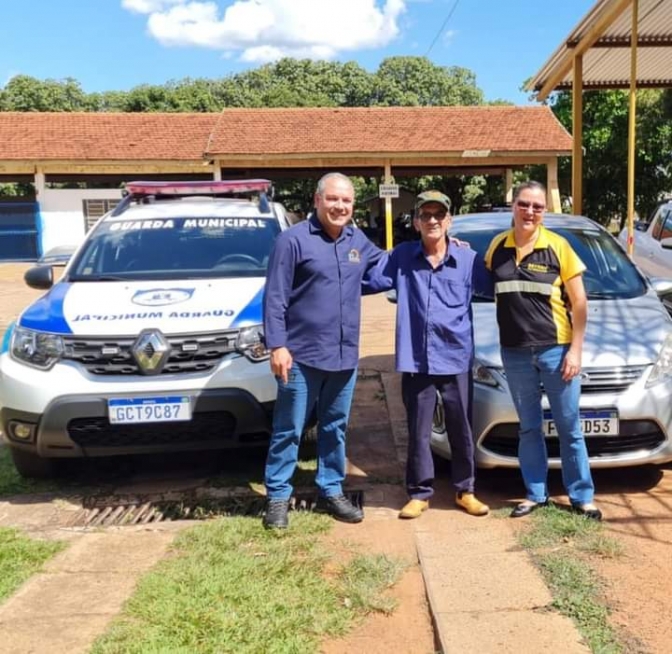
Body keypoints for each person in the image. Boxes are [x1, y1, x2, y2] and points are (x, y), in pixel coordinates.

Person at [262, 172, 382, 529]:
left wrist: (435, 248)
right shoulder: (292, 241)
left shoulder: (356, 239)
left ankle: (331, 489)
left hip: (344, 356)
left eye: (346, 201)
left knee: (336, 427)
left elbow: (384, 265)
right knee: (289, 429)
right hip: (300, 356)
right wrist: (277, 345)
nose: (339, 206)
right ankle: (278, 497)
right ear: (317, 200)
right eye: (333, 199)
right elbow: (275, 297)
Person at [365, 191, 489, 519]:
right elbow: (369, 279)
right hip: (417, 358)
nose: (432, 220)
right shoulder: (403, 256)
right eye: (426, 215)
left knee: (461, 426)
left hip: (456, 356)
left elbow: (497, 286)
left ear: (448, 220)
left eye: (439, 214)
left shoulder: (468, 260)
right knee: (418, 428)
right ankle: (419, 493)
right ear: (417, 221)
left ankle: (466, 490)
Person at [485, 180, 601, 520]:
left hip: (556, 351)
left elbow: (579, 302)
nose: (530, 212)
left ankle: (582, 497)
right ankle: (536, 494)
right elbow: (482, 275)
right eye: (524, 204)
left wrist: (575, 350)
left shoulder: (558, 246)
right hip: (515, 353)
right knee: (528, 428)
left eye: (537, 207)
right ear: (513, 205)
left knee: (569, 428)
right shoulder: (497, 247)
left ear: (544, 211)